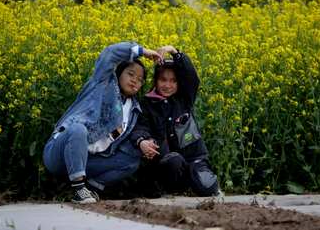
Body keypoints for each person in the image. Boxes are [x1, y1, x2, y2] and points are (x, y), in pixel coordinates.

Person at [43, 42, 163, 204]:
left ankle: (90, 189)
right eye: (131, 74)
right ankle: (79, 189)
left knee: (132, 159)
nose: (135, 81)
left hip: (90, 161)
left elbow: (132, 137)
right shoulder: (103, 83)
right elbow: (109, 54)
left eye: (140, 79)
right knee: (78, 130)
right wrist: (142, 51)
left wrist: (144, 143)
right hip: (60, 154)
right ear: (119, 73)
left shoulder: (135, 110)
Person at [130, 45, 219, 197]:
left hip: (194, 158)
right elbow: (140, 127)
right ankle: (172, 188)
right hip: (165, 163)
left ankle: (192, 183)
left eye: (173, 81)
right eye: (163, 80)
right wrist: (142, 141)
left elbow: (191, 78)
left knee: (207, 188)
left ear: (179, 83)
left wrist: (175, 52)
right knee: (174, 161)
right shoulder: (147, 103)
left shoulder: (184, 99)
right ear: (155, 80)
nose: (167, 85)